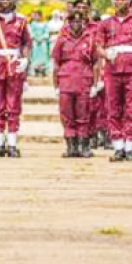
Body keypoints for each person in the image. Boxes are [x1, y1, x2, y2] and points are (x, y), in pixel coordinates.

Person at [96, 0, 132, 162]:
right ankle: (118, 147)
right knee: (113, 108)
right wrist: (105, 54)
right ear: (112, 1)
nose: (120, 2)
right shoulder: (105, 23)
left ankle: (131, 147)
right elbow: (98, 46)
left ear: (129, 0)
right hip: (112, 70)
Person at [0, 0, 31, 158]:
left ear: (14, 0)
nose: (5, 1)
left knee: (13, 106)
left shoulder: (22, 21)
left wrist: (25, 60)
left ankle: (11, 144)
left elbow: (26, 43)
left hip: (14, 65)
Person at [52, 11, 98, 158]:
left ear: (84, 23)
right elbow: (56, 63)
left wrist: (96, 84)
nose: (77, 24)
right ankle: (71, 146)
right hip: (65, 81)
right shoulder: (62, 40)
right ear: (69, 23)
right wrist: (56, 86)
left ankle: (84, 146)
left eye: (80, 21)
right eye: (73, 21)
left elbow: (96, 62)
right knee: (67, 115)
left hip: (84, 80)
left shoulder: (90, 39)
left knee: (84, 114)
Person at [29, 11, 49, 77]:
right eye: (35, 15)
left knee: (43, 54)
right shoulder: (33, 23)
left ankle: (43, 70)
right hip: (35, 41)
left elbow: (46, 32)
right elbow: (31, 32)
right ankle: (36, 69)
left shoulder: (45, 23)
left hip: (43, 42)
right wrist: (35, 38)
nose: (35, 17)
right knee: (35, 55)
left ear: (40, 16)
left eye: (37, 15)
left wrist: (42, 38)